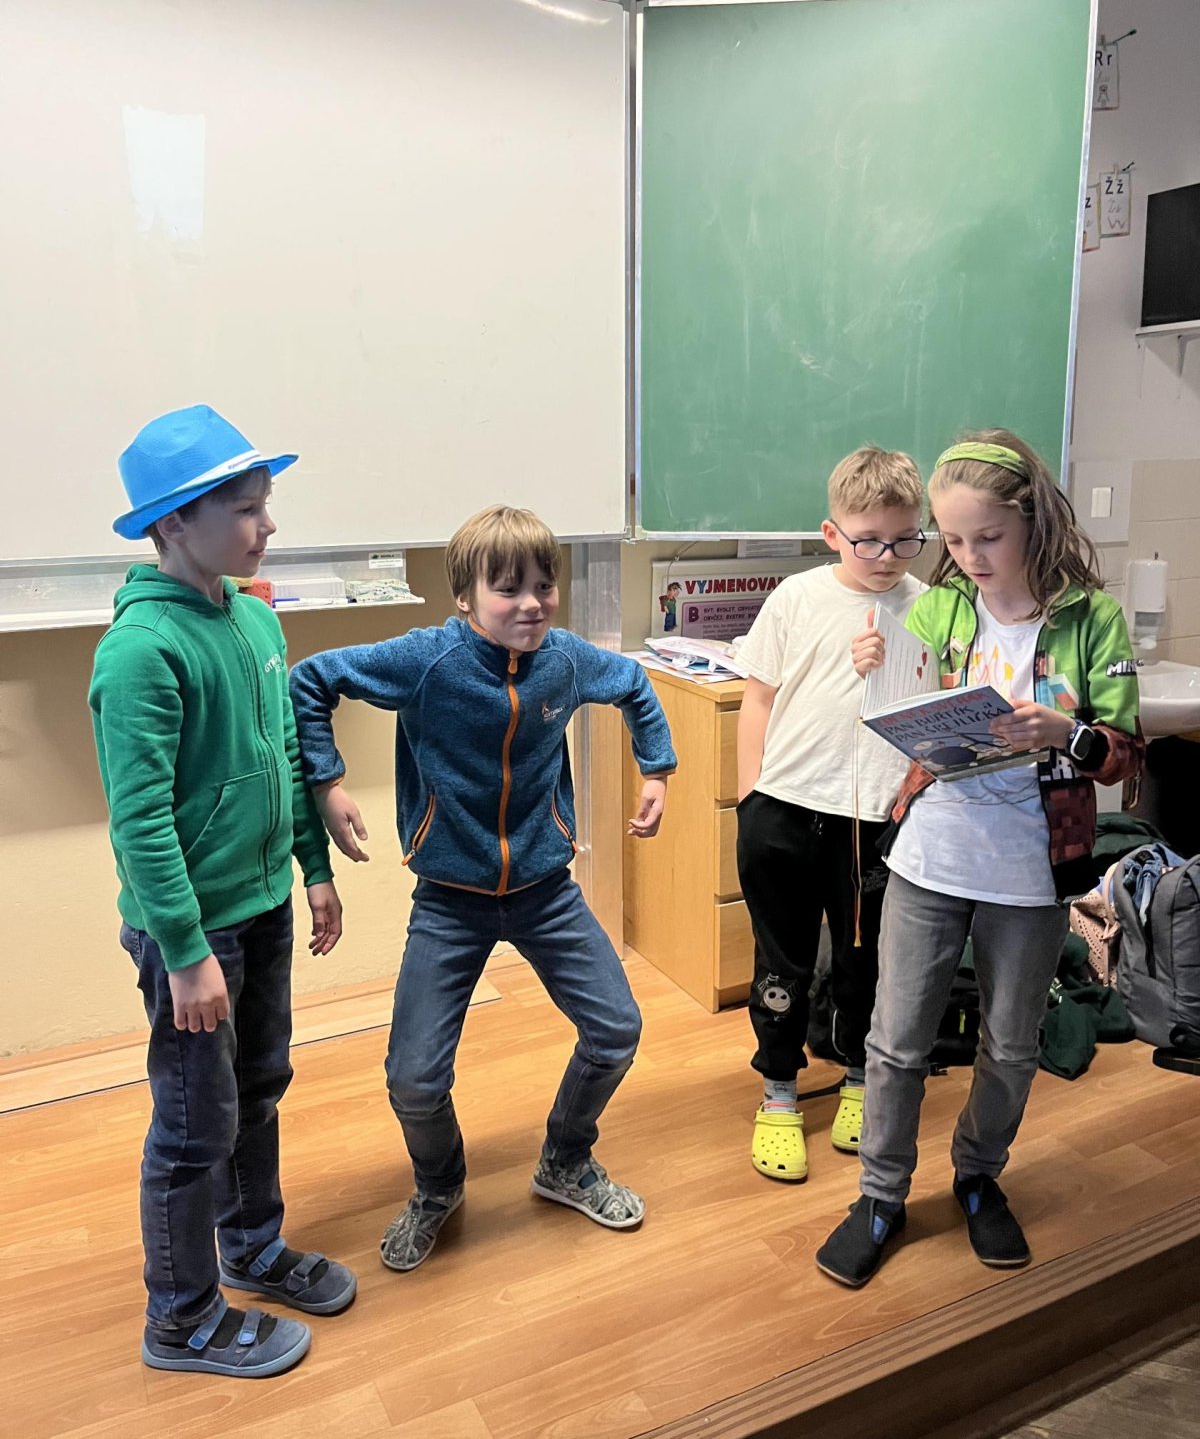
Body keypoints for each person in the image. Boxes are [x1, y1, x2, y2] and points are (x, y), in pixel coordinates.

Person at [289, 505, 676, 1272]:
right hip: (450, 901)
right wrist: (327, 784)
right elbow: (312, 680)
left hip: (545, 890)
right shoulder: (426, 661)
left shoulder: (564, 660)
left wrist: (657, 768)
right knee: (414, 1080)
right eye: (508, 589)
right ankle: (439, 1185)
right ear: (464, 596)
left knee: (616, 1030)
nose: (531, 604)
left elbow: (634, 683)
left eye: (544, 586)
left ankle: (566, 1161)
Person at [816, 432, 1143, 1287]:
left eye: (987, 537)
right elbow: (903, 712)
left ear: (1033, 521)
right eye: (954, 540)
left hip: (1031, 868)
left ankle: (977, 1176)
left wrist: (1065, 732)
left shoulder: (1091, 620)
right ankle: (880, 1195)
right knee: (896, 1040)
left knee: (1011, 1043)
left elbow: (1124, 755)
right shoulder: (942, 609)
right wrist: (875, 671)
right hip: (932, 854)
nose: (968, 557)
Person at [89, 405, 355, 1377]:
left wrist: (312, 870)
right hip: (193, 937)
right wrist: (187, 951)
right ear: (172, 524)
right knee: (194, 1125)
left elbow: (283, 754)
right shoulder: (140, 652)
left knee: (257, 1089)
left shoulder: (254, 616)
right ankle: (183, 1317)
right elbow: (140, 823)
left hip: (262, 906)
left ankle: (250, 1246)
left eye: (265, 503)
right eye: (244, 509)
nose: (267, 524)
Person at [736, 446, 926, 1182]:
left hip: (874, 821)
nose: (887, 557)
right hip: (784, 812)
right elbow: (758, 698)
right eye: (868, 540)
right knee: (781, 965)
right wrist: (750, 798)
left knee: (862, 961)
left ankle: (855, 1079)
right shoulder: (796, 597)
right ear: (831, 533)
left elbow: (935, 712)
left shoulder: (931, 607)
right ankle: (779, 1092)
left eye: (905, 540)